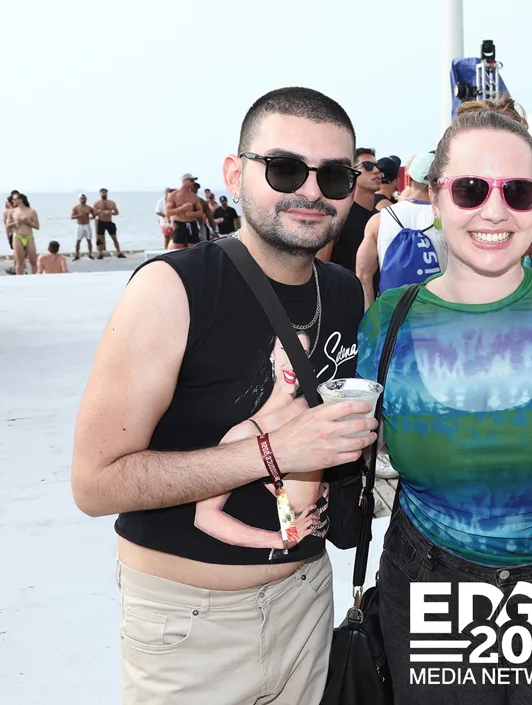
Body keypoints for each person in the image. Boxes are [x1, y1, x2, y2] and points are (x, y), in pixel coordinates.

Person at [71, 86, 377, 705]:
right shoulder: (172, 288)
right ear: (235, 175)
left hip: (308, 605)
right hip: (189, 627)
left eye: (334, 175)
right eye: (285, 168)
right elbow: (95, 484)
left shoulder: (345, 292)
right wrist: (273, 452)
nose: (311, 191)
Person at [359, 95, 532, 705]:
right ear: (436, 197)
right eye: (471, 190)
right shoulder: (388, 322)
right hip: (432, 581)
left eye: (518, 192)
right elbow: (352, 448)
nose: (494, 211)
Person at [356, 151, 446, 309]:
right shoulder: (449, 219)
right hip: (438, 314)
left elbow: (363, 276)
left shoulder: (379, 220)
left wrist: (372, 317)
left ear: (409, 179)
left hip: (393, 315)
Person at [318, 147, 379, 272]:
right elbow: (319, 265)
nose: (376, 171)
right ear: (352, 172)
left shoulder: (379, 218)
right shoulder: (339, 214)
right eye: (368, 166)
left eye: (377, 166)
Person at [5, 192, 40, 274]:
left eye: (14, 199)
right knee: (19, 261)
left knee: (33, 261)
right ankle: (19, 279)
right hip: (18, 236)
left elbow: (37, 226)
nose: (12, 201)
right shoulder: (12, 211)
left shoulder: (31, 211)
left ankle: (35, 278)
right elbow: (8, 225)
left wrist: (28, 223)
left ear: (20, 200)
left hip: (29, 237)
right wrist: (17, 223)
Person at [167, 174, 205, 249]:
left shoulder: (194, 196)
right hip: (179, 224)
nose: (193, 183)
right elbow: (168, 212)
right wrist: (181, 209)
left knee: (194, 248)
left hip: (192, 224)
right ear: (185, 181)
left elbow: (200, 213)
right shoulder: (174, 195)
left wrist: (192, 214)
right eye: (191, 180)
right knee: (178, 249)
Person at [94, 187, 125, 259]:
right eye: (102, 193)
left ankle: (119, 252)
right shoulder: (97, 203)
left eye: (105, 192)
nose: (104, 194)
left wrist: (110, 213)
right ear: (100, 194)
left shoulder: (111, 203)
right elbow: (94, 213)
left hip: (109, 222)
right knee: (100, 239)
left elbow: (117, 212)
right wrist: (99, 212)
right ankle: (100, 253)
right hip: (101, 222)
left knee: (114, 238)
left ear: (107, 193)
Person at [71, 194, 96, 260]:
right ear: (79, 199)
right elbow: (72, 217)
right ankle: (77, 255)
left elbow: (94, 215)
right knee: (78, 240)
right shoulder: (76, 207)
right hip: (79, 225)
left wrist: (92, 217)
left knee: (89, 240)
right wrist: (78, 215)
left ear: (86, 199)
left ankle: (90, 254)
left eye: (84, 198)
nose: (83, 200)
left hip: (87, 225)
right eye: (82, 199)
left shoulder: (89, 207)